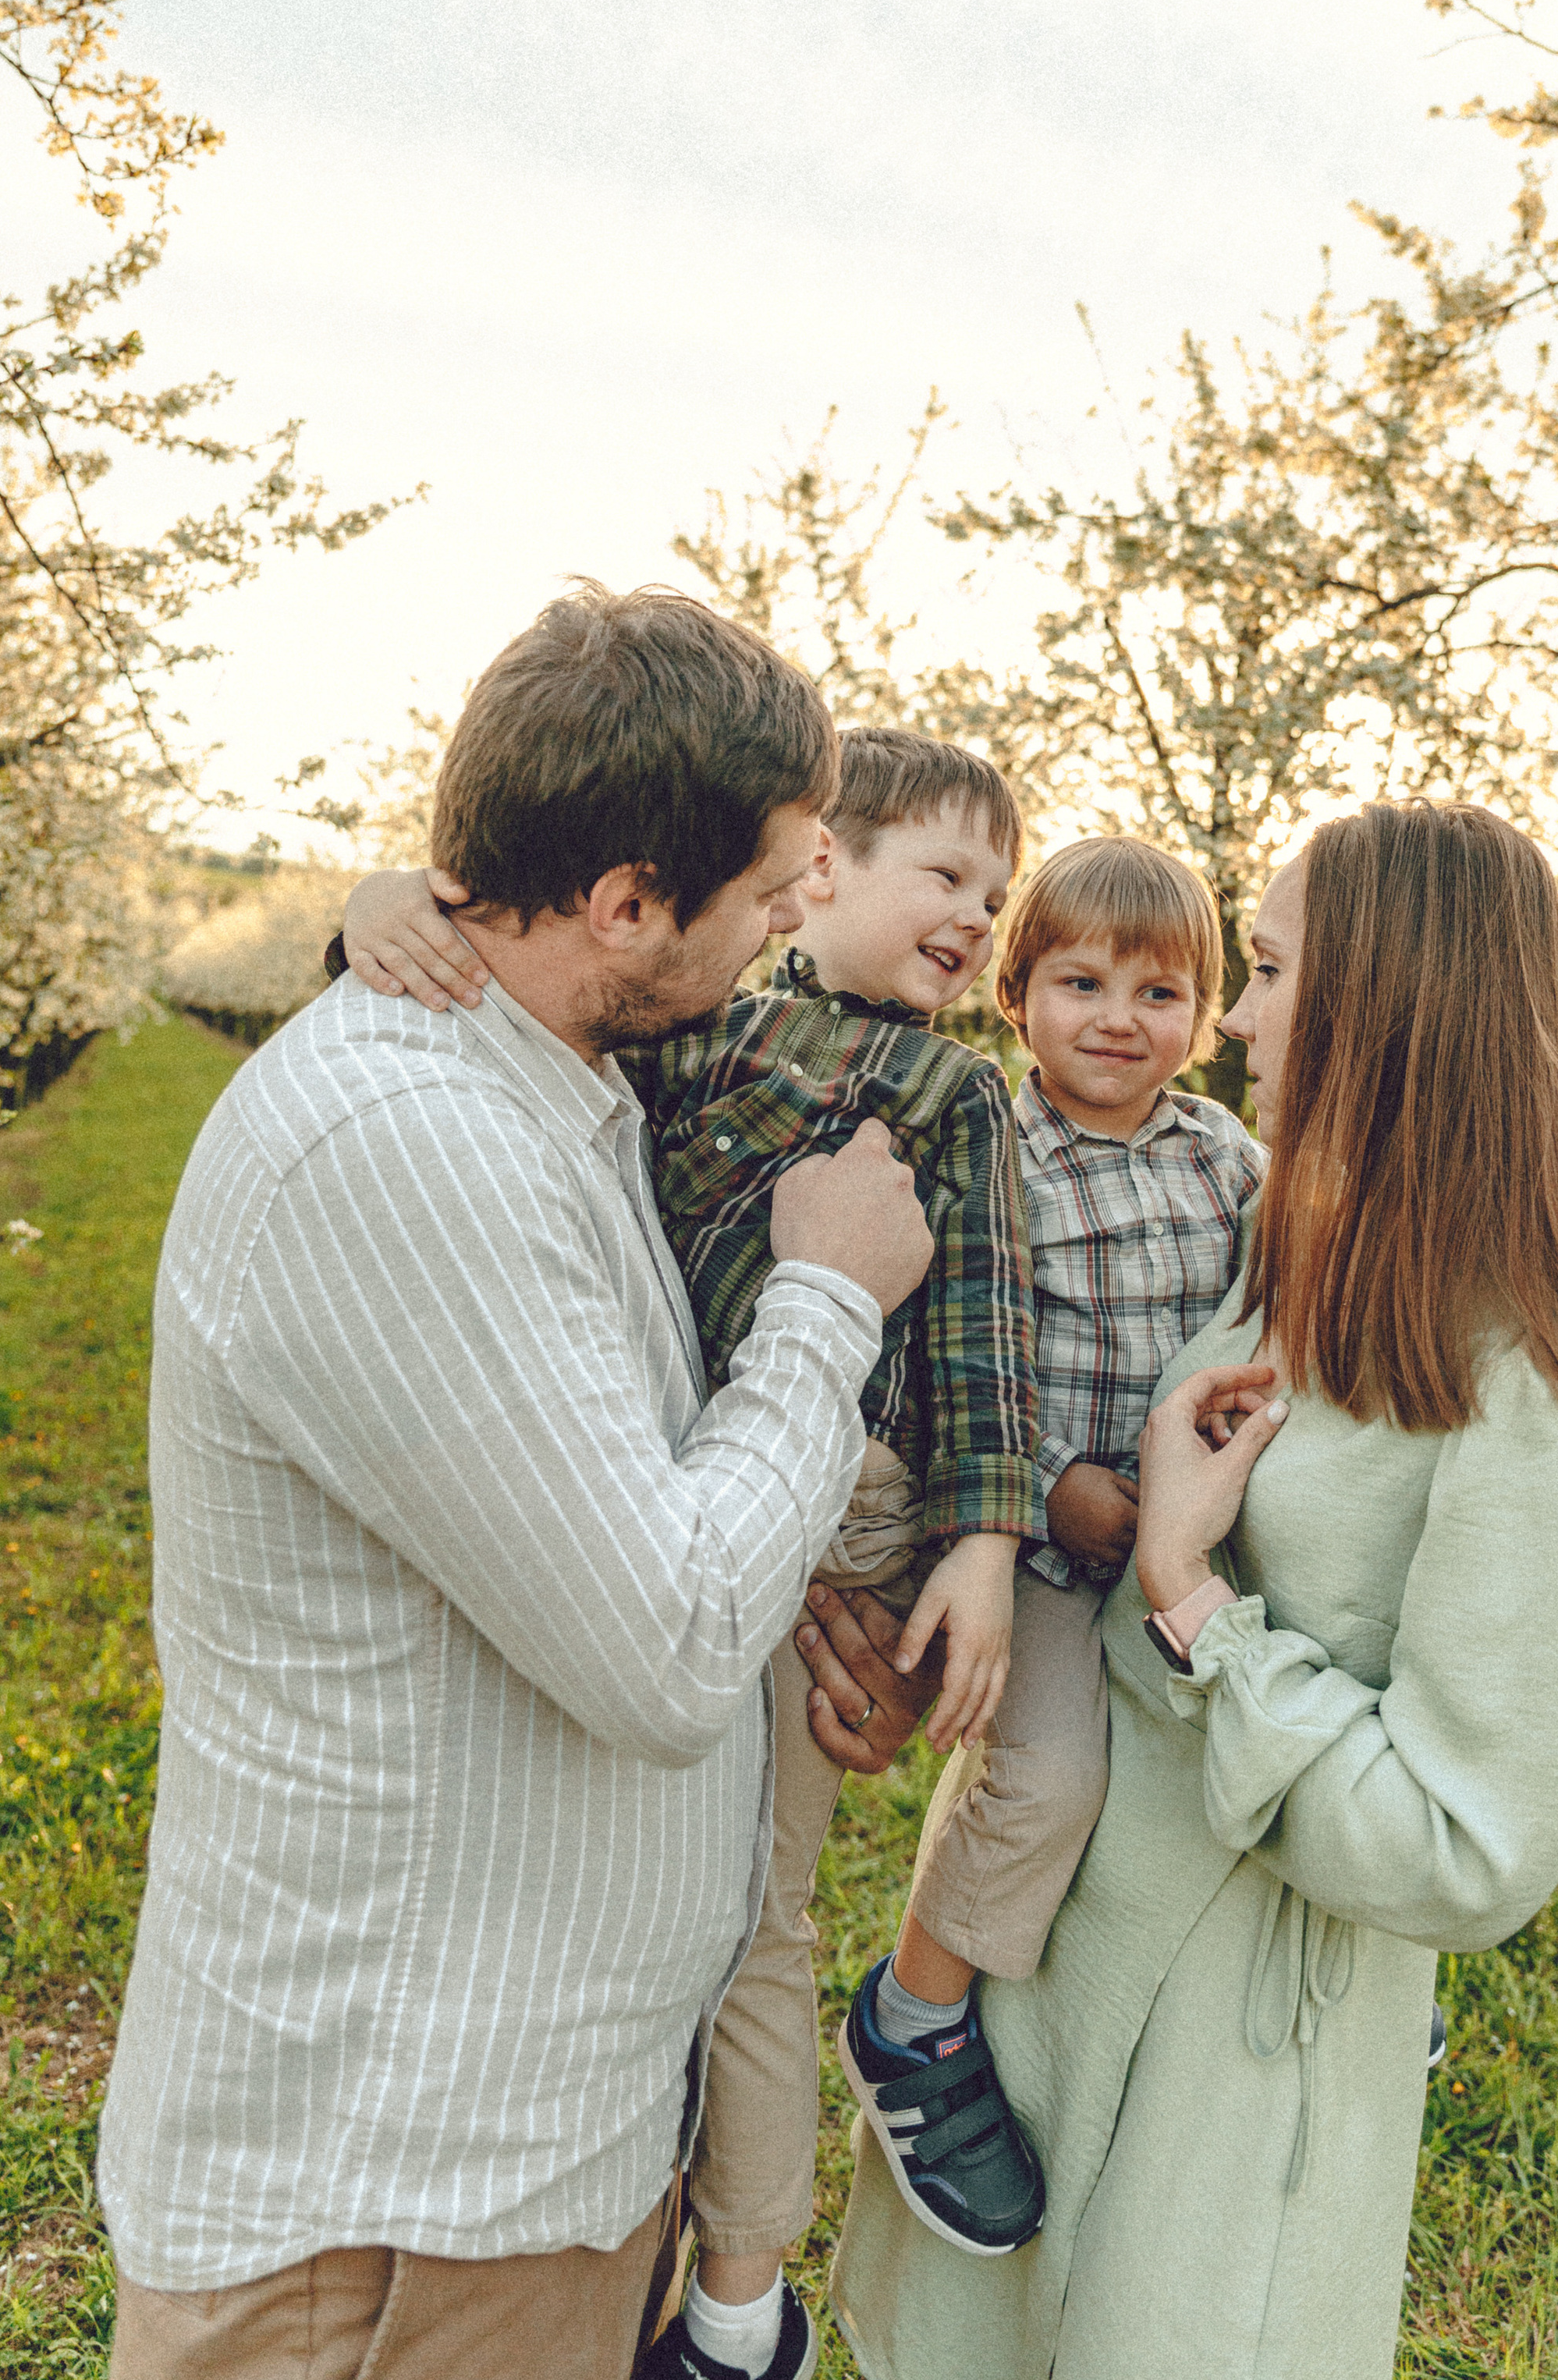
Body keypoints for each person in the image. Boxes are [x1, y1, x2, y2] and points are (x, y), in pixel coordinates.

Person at [97, 587, 936, 2380]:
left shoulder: (550, 1082)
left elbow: (606, 1511)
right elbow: (661, 1642)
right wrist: (824, 1300)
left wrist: (805, 1614)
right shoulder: (410, 1145)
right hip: (392, 2212)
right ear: (624, 904)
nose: (797, 911)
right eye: (768, 882)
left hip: (522, 2163)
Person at [815, 800, 1558, 2380]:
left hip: (1220, 2092)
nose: (1233, 1019)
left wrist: (1189, 1599)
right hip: (1040, 1994)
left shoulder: (1552, 1377)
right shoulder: (1295, 1231)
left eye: (1269, 970)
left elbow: (1463, 1847)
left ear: (1391, 1002)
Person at [336, 728, 1044, 2380]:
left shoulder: (952, 1095)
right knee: (636, 1890)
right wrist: (378, 905)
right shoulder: (688, 1019)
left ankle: (738, 2305)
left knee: (752, 1920)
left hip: (829, 1507)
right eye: (945, 875)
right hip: (645, 1483)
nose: (976, 919)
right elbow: (516, 999)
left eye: (996, 897)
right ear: (821, 872)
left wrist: (982, 1548)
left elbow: (985, 1332)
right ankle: (626, 2241)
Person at [836, 837, 1265, 2254]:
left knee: (1261, 1734)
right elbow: (928, 1358)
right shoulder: (983, 1150)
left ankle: (1343, 1966)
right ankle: (915, 2016)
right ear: (1014, 995)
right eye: (1081, 983)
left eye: (1160, 992)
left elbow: (1283, 1301)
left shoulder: (1225, 1158)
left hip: (1186, 1537)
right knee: (1047, 1775)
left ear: (1203, 1017)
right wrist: (1050, 1481)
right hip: (1027, 1545)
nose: (1119, 1019)